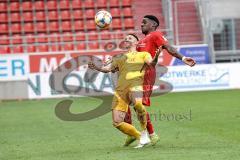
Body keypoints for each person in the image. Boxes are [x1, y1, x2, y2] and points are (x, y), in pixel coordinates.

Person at [124, 15, 196, 146]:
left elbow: (168, 47)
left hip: (146, 73)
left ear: (153, 25)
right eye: (141, 22)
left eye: (144, 22)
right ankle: (136, 133)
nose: (141, 24)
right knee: (125, 101)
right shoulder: (142, 41)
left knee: (138, 105)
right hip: (135, 74)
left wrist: (183, 58)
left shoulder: (156, 34)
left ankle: (148, 134)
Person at [88, 34, 162, 148]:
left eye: (130, 38)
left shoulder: (143, 54)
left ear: (137, 43)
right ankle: (140, 136)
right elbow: (107, 69)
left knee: (138, 104)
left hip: (135, 86)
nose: (127, 39)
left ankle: (144, 133)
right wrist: (96, 67)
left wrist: (156, 57)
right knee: (117, 122)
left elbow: (151, 64)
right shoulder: (119, 57)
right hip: (121, 90)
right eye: (126, 39)